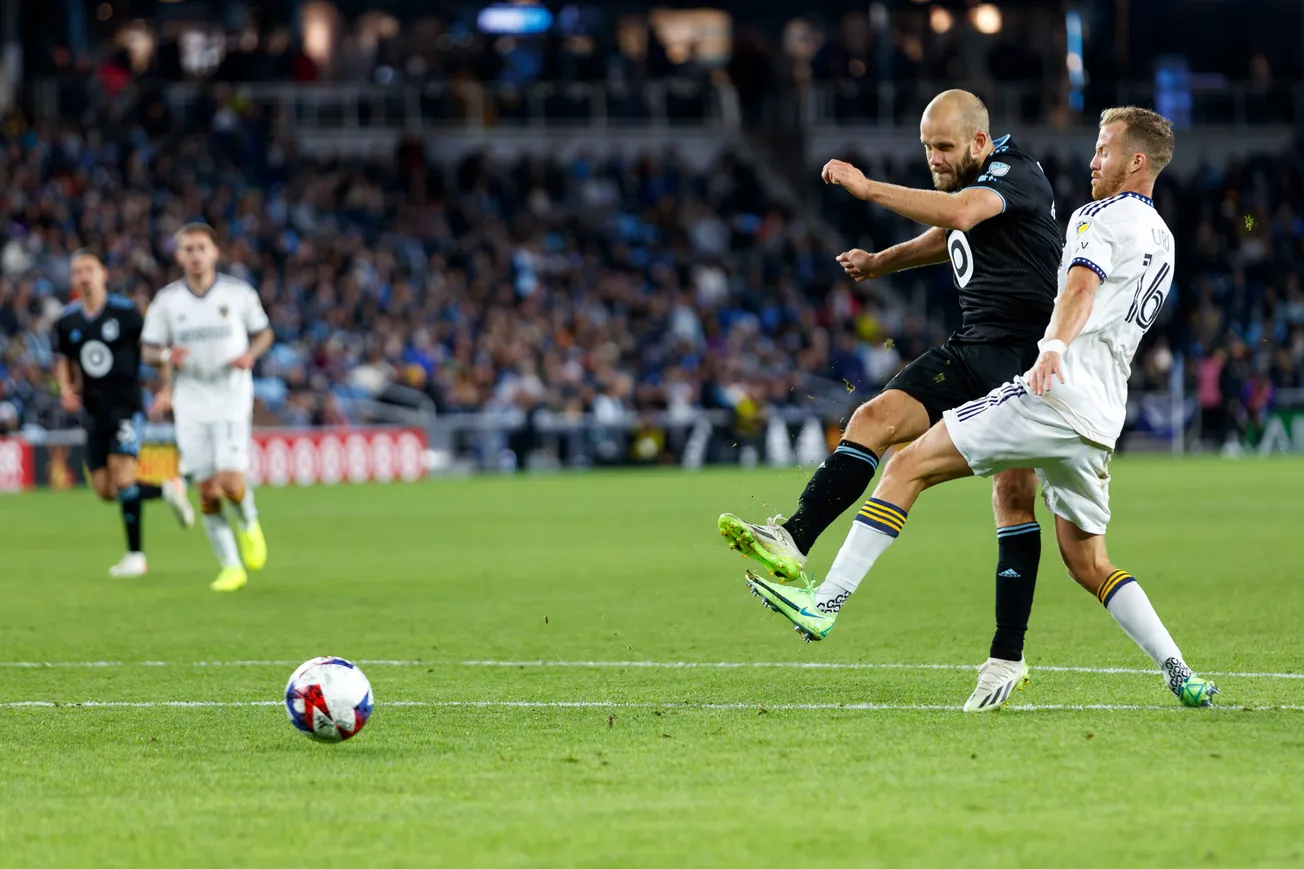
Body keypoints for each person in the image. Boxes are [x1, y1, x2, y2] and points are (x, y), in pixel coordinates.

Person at [744, 107, 1219, 710]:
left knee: (906, 466)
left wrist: (1051, 348)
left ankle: (825, 602)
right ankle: (1178, 671)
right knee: (1088, 560)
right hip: (1103, 416)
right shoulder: (1163, 239)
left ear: (1137, 161)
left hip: (1054, 391)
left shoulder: (1095, 216)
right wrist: (883, 261)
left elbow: (1078, 288)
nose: (1093, 160)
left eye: (1104, 150)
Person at [719, 89, 1063, 678]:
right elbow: (950, 235)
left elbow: (959, 215)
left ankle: (1008, 653)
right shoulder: (975, 183)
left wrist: (867, 188)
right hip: (971, 347)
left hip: (1025, 364)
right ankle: (794, 540)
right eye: (927, 146)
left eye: (944, 146)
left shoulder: (1017, 173)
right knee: (872, 419)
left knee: (1014, 498)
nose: (933, 157)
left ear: (980, 142)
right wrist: (882, 262)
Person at [141, 224, 272, 592]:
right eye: (188, 249)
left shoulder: (238, 293)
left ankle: (249, 521)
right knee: (207, 491)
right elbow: (149, 349)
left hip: (230, 394)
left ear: (215, 252)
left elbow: (265, 333)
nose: (195, 255)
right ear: (178, 256)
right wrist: (165, 362)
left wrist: (251, 354)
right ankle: (231, 567)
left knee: (229, 482)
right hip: (190, 398)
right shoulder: (167, 302)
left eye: (201, 247)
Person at [53, 250, 194, 577]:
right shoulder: (67, 320)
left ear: (103, 274)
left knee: (124, 477)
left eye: (89, 269)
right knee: (106, 490)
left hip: (127, 407)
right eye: (77, 272)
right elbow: (63, 360)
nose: (84, 277)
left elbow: (155, 351)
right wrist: (65, 388)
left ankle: (135, 557)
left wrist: (165, 389)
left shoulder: (126, 312)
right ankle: (167, 489)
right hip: (94, 412)